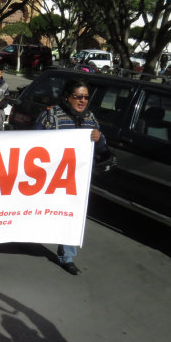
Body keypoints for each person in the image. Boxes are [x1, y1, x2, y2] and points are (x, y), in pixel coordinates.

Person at [35, 79, 106, 275]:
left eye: (85, 97)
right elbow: (32, 143)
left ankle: (67, 257)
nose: (82, 101)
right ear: (67, 97)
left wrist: (99, 139)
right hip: (50, 177)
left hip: (76, 180)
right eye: (78, 97)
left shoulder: (90, 118)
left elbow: (101, 145)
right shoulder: (51, 115)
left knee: (71, 215)